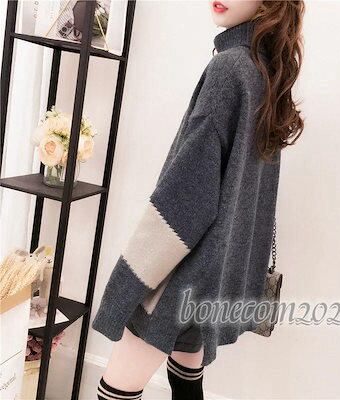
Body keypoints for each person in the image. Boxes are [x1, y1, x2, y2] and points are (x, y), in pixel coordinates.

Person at [92, 1, 304, 399]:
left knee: (115, 392)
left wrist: (130, 279)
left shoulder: (229, 70)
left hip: (182, 273)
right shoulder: (264, 72)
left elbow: (186, 197)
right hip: (218, 276)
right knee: (187, 381)